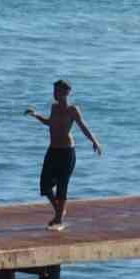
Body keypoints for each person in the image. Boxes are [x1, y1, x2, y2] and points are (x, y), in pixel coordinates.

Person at [24, 79, 103, 230]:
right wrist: (36, 115)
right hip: (53, 150)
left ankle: (59, 219)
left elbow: (83, 126)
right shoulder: (53, 107)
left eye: (58, 91)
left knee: (62, 185)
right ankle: (59, 211)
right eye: (54, 91)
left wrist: (95, 141)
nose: (55, 94)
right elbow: (50, 123)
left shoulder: (73, 110)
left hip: (67, 152)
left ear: (66, 92)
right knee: (45, 185)